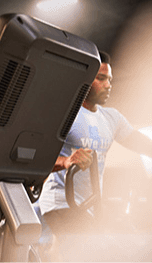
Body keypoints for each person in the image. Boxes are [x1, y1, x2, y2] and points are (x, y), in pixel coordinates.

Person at [38, 51, 152, 261]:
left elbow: (141, 143)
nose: (108, 85)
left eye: (110, 79)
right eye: (101, 78)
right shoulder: (64, 114)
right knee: (89, 254)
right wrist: (65, 161)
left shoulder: (112, 118)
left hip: (88, 206)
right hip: (60, 202)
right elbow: (37, 157)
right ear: (84, 79)